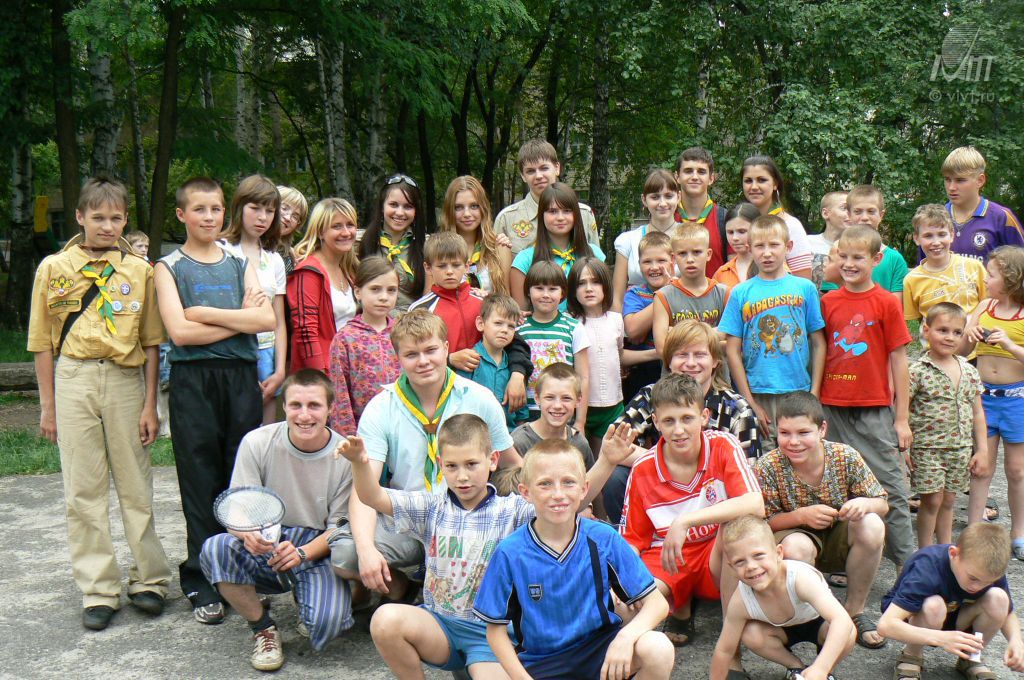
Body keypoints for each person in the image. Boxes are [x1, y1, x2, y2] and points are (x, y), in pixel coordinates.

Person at [336, 415, 638, 679]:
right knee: (386, 620)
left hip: (490, 636)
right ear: (441, 465)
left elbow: (569, 501)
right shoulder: (431, 507)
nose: (462, 476)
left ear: (492, 460)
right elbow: (372, 496)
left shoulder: (511, 510)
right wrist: (360, 463)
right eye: (452, 466)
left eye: (471, 464)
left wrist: (607, 461)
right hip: (440, 625)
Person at [28, 176, 170, 631]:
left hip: (126, 381)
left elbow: (152, 342)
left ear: (126, 220)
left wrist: (150, 404)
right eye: (98, 217)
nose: (107, 226)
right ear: (79, 217)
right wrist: (48, 407)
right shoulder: (54, 267)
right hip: (74, 378)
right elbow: (41, 343)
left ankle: (149, 579)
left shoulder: (140, 271)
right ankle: (98, 588)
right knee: (83, 490)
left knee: (135, 485)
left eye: (116, 218)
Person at [331, 310, 523, 605]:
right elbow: (365, 490)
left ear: (446, 348)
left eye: (431, 350)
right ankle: (402, 588)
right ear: (398, 357)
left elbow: (513, 463)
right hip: (411, 515)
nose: (423, 361)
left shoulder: (479, 398)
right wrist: (367, 549)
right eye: (412, 354)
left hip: (467, 515)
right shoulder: (381, 407)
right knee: (347, 554)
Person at [154, 176, 275, 623]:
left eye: (216, 209)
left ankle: (243, 571)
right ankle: (202, 576)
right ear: (182, 215)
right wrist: (239, 319)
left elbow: (265, 320)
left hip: (239, 379)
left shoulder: (239, 262)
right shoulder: (168, 267)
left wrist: (206, 314)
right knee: (200, 477)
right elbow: (179, 333)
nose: (209, 217)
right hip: (193, 382)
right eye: (199, 209)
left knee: (240, 478)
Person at [474, 440, 675, 680]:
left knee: (658, 648)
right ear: (525, 492)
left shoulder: (603, 538)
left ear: (583, 489)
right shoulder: (510, 552)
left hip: (601, 650)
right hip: (543, 663)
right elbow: (495, 632)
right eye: (545, 484)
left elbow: (657, 604)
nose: (558, 494)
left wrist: (625, 636)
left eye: (568, 482)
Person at [199, 370, 355, 671]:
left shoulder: (344, 457)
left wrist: (302, 554)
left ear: (330, 409)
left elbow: (340, 528)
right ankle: (262, 628)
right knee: (216, 548)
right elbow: (237, 509)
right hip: (267, 540)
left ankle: (306, 596)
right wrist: (247, 534)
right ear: (284, 406)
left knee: (328, 624)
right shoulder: (257, 442)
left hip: (315, 546)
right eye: (295, 405)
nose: (304, 415)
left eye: (314, 405)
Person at [620, 374, 765, 651]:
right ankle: (674, 607)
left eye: (687, 418)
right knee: (630, 605)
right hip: (668, 556)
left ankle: (730, 645)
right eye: (669, 421)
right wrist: (622, 588)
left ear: (704, 417)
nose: (679, 430)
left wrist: (685, 521)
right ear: (655, 422)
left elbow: (755, 503)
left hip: (715, 553)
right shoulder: (643, 469)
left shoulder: (723, 444)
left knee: (735, 525)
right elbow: (632, 540)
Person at [753, 391, 889, 650]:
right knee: (796, 547)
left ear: (822, 429)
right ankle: (809, 618)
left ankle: (854, 611)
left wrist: (864, 504)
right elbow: (762, 522)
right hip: (793, 536)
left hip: (838, 533)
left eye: (803, 432)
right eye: (785, 433)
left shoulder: (844, 456)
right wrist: (801, 516)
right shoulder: (768, 466)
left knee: (872, 524)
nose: (793, 442)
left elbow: (881, 502)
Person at [819, 225, 915, 568]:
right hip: (832, 407)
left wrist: (901, 418)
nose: (849, 264)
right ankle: (842, 561)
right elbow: (819, 351)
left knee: (891, 487)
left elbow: (899, 360)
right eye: (843, 256)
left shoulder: (886, 302)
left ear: (876, 259)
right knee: (837, 487)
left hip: (873, 408)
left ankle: (907, 566)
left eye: (858, 257)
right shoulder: (827, 302)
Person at [720, 214, 826, 449]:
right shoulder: (740, 293)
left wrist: (815, 391)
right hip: (759, 391)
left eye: (774, 245)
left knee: (800, 449)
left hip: (799, 389)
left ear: (788, 246)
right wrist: (750, 403)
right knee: (766, 456)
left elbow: (818, 342)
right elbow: (732, 351)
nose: (767, 253)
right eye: (760, 246)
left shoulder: (805, 288)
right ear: (749, 248)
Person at [711, 515, 856, 680]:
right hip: (779, 631)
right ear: (731, 568)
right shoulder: (740, 599)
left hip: (819, 622)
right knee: (751, 634)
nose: (751, 566)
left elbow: (841, 621)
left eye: (758, 555)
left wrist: (821, 668)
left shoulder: (800, 578)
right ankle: (795, 667)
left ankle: (825, 673)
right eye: (740, 562)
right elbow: (724, 650)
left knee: (847, 631)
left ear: (778, 553)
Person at [877, 523, 1024, 680]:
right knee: (934, 605)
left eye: (987, 582)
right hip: (916, 618)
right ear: (954, 554)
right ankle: (911, 655)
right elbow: (886, 625)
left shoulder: (986, 569)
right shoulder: (927, 567)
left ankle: (971, 657)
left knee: (999, 598)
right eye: (973, 578)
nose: (978, 587)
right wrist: (941, 638)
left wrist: (1016, 640)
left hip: (955, 614)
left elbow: (1008, 612)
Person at [909, 303, 987, 547]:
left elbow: (978, 413)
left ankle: (944, 550)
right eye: (942, 330)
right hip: (927, 449)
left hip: (960, 449)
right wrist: (902, 447)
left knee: (949, 501)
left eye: (957, 332)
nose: (950, 337)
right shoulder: (917, 371)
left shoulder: (969, 370)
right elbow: (901, 410)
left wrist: (982, 450)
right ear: (926, 330)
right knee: (931, 501)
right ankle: (925, 552)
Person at [963, 245, 1024, 556]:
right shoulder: (984, 306)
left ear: (1011, 279)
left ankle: (1019, 532)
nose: (985, 280)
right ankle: (973, 530)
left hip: (1017, 401)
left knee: (1017, 470)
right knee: (981, 467)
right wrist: (969, 334)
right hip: (983, 399)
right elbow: (962, 350)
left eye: (991, 275)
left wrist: (1010, 345)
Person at [219, 175, 288, 425]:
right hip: (232, 352)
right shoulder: (221, 250)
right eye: (255, 208)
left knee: (264, 431)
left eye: (269, 211)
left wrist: (280, 370)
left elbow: (279, 320)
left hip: (266, 352)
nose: (262, 217)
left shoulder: (274, 259)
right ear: (239, 207)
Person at [569, 257, 648, 452]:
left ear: (606, 285)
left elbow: (619, 355)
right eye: (581, 283)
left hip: (613, 405)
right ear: (572, 290)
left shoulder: (615, 320)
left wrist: (656, 354)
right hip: (579, 407)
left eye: (595, 282)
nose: (589, 288)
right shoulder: (569, 323)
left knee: (607, 459)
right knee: (580, 459)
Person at [327, 257, 401, 435]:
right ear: (358, 292)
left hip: (401, 426)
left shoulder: (403, 333)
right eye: (375, 289)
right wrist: (348, 438)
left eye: (391, 290)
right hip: (363, 431)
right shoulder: (345, 338)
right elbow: (339, 393)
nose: (384, 297)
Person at [288, 198, 359, 373]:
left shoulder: (349, 270)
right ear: (320, 232)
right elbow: (305, 332)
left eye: (350, 225)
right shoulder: (308, 272)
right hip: (321, 372)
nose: (346, 232)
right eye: (337, 226)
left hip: (349, 367)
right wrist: (320, 377)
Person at [510, 182, 606, 311]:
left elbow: (606, 302)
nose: (560, 218)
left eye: (567, 211)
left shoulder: (594, 253)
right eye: (553, 211)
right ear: (541, 215)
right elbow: (521, 314)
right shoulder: (524, 260)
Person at [494, 138, 599, 254]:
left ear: (557, 168)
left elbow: (595, 261)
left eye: (544, 168)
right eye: (530, 171)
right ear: (523, 176)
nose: (538, 176)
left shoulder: (583, 214)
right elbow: (496, 264)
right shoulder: (507, 219)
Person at [517, 260, 590, 421]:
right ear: (528, 291)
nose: (545, 294)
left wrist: (580, 422)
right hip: (527, 413)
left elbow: (583, 378)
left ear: (562, 292)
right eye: (539, 288)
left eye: (552, 289)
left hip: (562, 411)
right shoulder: (518, 328)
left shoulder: (573, 328)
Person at [903, 204, 987, 330]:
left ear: (952, 235)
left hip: (974, 341)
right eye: (928, 236)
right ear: (916, 238)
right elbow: (916, 321)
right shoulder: (911, 280)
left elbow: (988, 305)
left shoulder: (974, 267)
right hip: (933, 342)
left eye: (942, 234)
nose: (936, 242)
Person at [652, 223, 730, 353]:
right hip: (678, 367)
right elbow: (662, 349)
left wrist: (676, 335)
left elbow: (735, 344)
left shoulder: (724, 293)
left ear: (708, 254)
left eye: (696, 252)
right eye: (682, 253)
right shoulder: (663, 297)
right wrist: (716, 334)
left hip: (717, 366)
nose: (689, 259)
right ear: (673, 258)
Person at [456, 294, 530, 429]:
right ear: (481, 324)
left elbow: (521, 417)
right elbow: (458, 407)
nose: (504, 330)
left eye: (511, 326)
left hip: (510, 435)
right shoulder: (469, 361)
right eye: (498, 323)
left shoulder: (516, 369)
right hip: (475, 434)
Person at [940, 145, 1024, 263]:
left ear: (980, 180)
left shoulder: (1001, 217)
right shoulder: (936, 218)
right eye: (947, 179)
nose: (951, 187)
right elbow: (923, 268)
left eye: (960, 180)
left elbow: (1020, 264)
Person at [613, 169, 681, 309]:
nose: (662, 203)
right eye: (655, 197)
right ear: (644, 200)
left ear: (678, 197)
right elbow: (617, 298)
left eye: (668, 196)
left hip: (680, 315)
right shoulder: (628, 240)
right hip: (636, 315)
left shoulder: (690, 236)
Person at [409, 231, 484, 359]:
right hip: (442, 372)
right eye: (442, 266)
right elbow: (416, 354)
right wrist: (450, 359)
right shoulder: (420, 310)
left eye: (456, 265)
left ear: (466, 266)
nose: (449, 271)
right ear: (428, 268)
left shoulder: (483, 302)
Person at [357, 174, 427, 311]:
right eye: (393, 205)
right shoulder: (363, 244)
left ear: (416, 211)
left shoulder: (425, 248)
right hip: (373, 320)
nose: (400, 213)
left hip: (411, 321)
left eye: (408, 206)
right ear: (382, 206)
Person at [511, 362, 595, 468]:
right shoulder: (520, 441)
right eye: (549, 397)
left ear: (578, 401)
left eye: (566, 398)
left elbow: (588, 479)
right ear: (537, 398)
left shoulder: (579, 443)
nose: (557, 405)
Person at [438, 175, 512, 295]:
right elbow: (429, 298)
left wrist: (487, 299)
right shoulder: (437, 248)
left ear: (483, 208)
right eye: (458, 207)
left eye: (474, 206)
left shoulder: (500, 247)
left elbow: (506, 298)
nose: (467, 214)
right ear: (449, 211)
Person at [740, 155, 812, 278]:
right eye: (748, 181)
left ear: (775, 184)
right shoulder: (739, 225)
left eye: (761, 180)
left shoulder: (791, 225)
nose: (754, 187)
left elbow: (803, 280)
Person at [623, 231, 673, 401]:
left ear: (672, 261)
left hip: (678, 366)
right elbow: (633, 331)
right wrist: (665, 294)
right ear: (639, 264)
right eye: (647, 262)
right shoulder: (635, 293)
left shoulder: (683, 290)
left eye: (661, 261)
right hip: (644, 369)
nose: (654, 267)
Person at [674, 147, 730, 276]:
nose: (694, 177)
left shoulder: (725, 219)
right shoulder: (667, 217)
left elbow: (735, 269)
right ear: (677, 177)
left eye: (701, 172)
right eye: (688, 171)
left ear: (711, 178)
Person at [845, 185, 908, 298]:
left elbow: (896, 303)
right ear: (849, 215)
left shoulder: (895, 259)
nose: (864, 217)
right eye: (858, 212)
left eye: (871, 211)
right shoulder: (840, 255)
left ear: (881, 215)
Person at [807, 191, 849, 293]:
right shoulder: (806, 243)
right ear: (825, 213)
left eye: (853, 209)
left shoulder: (860, 248)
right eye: (844, 208)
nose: (850, 213)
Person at [713, 202, 761, 290]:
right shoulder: (722, 273)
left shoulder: (773, 266)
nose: (735, 238)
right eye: (730, 232)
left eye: (742, 231)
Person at [276, 185, 308, 274]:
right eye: (284, 208)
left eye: (295, 217)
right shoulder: (246, 244)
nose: (288, 218)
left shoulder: (290, 258)